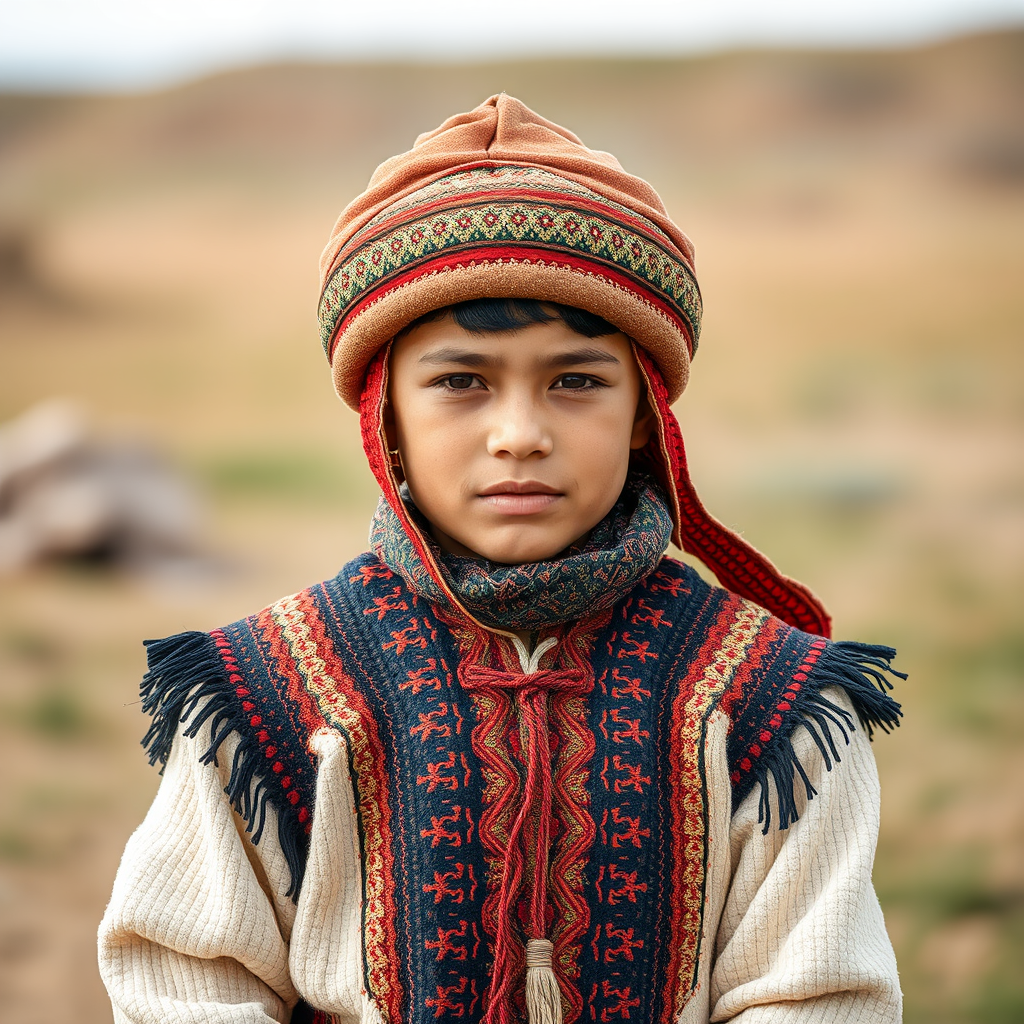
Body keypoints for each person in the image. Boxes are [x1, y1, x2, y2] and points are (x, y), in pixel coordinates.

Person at [98, 94, 904, 1024]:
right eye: (460, 382)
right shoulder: (267, 694)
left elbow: (815, 995)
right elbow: (187, 982)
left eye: (576, 381)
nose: (519, 433)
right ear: (385, 416)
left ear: (646, 416)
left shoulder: (771, 701)